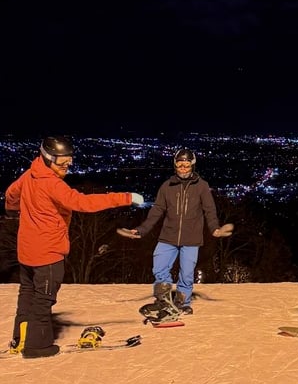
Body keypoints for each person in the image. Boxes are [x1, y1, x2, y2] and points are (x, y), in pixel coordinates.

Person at [4, 136, 144, 358]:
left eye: (69, 162)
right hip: (47, 253)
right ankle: (37, 347)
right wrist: (125, 197)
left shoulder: (31, 173)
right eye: (62, 163)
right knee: (44, 298)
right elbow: (83, 203)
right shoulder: (51, 183)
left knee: (28, 295)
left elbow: (11, 194)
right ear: (48, 159)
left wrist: (13, 210)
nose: (66, 167)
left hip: (27, 250)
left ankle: (20, 340)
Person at [118, 147, 232, 316]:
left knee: (186, 274)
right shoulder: (167, 186)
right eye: (180, 165)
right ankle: (163, 300)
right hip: (168, 236)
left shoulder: (201, 186)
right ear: (175, 166)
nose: (183, 169)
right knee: (160, 268)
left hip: (191, 238)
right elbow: (156, 211)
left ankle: (182, 303)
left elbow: (210, 210)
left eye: (186, 165)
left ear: (192, 166)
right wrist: (141, 230)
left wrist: (215, 228)